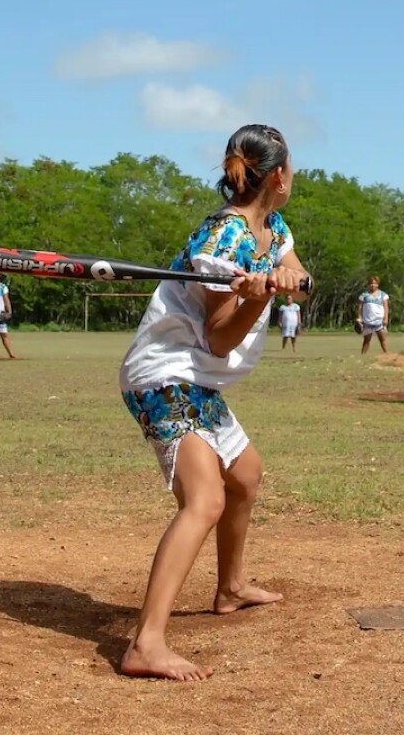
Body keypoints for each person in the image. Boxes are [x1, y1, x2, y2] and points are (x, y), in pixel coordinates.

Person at [117, 124, 310, 682]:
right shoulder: (221, 243)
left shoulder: (270, 224)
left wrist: (286, 274)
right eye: (291, 167)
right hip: (166, 376)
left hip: (198, 381)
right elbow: (221, 336)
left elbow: (287, 257)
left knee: (244, 475)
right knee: (204, 500)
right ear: (278, 175)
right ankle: (146, 643)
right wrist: (256, 297)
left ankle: (229, 587)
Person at [358, 276, 390, 354]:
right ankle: (363, 355)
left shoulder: (383, 295)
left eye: (375, 283)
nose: (373, 285)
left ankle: (387, 355)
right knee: (366, 341)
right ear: (368, 284)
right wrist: (359, 317)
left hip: (379, 321)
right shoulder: (364, 295)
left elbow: (386, 307)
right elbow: (360, 307)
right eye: (371, 283)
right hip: (367, 321)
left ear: (378, 285)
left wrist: (386, 318)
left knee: (382, 340)